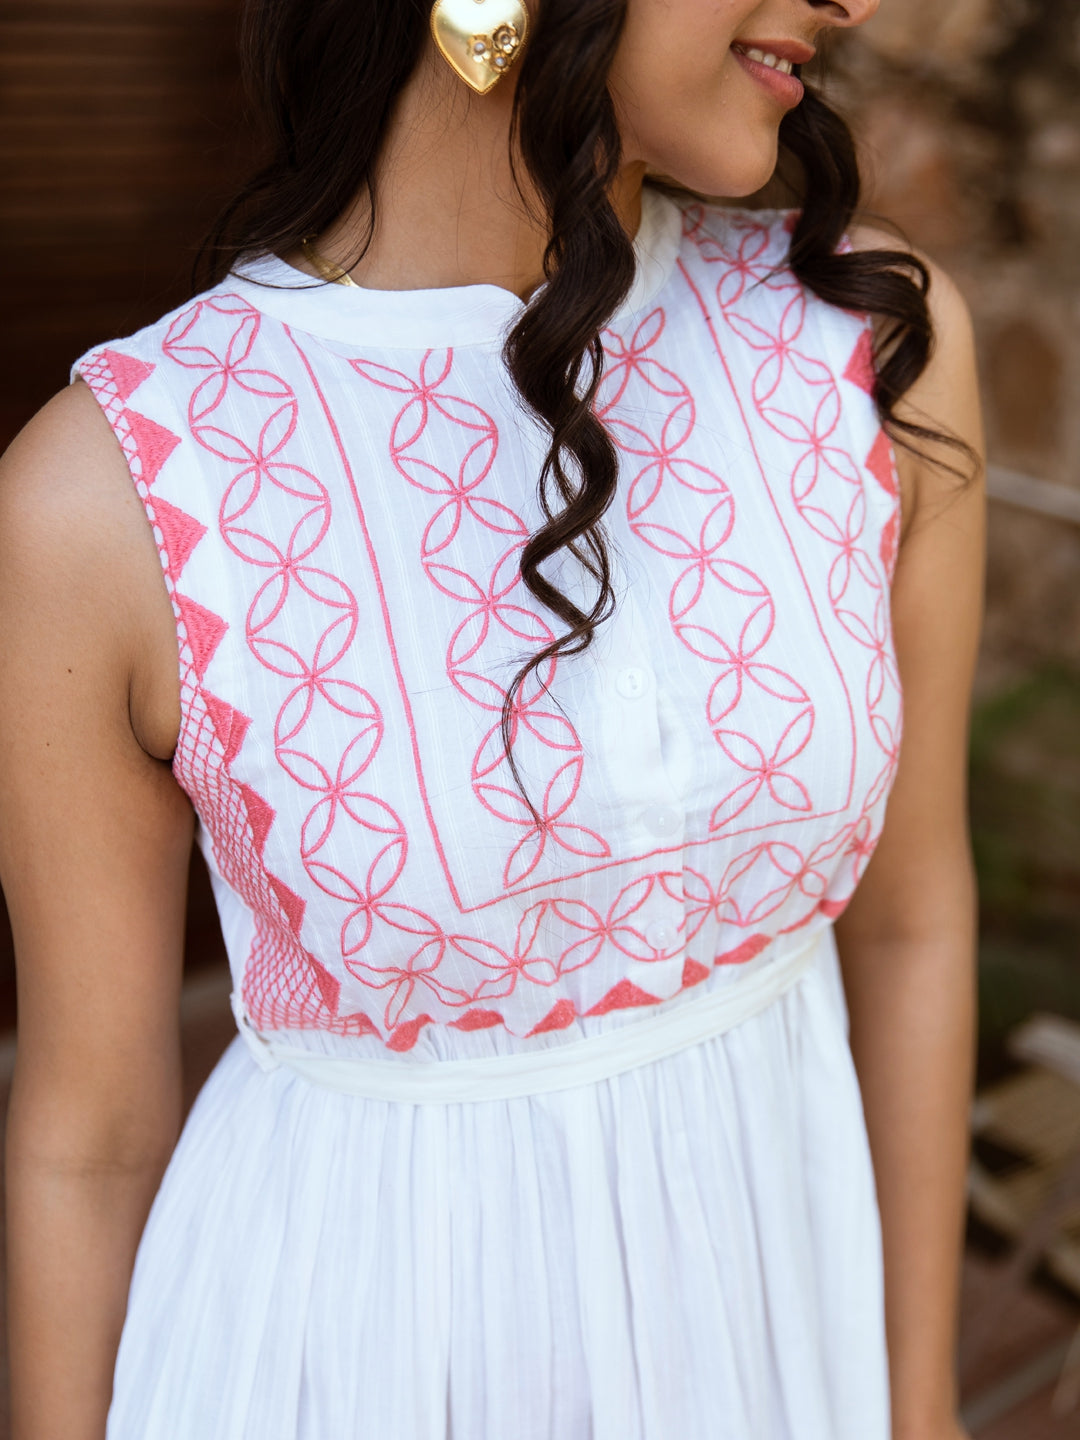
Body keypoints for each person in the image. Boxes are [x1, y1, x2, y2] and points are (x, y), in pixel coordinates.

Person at [0, 0, 985, 1436]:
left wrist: (919, 1404)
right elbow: (84, 1141)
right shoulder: (110, 498)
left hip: (786, 1342)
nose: (855, 3)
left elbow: (911, 919)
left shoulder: (871, 348)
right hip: (339, 1369)